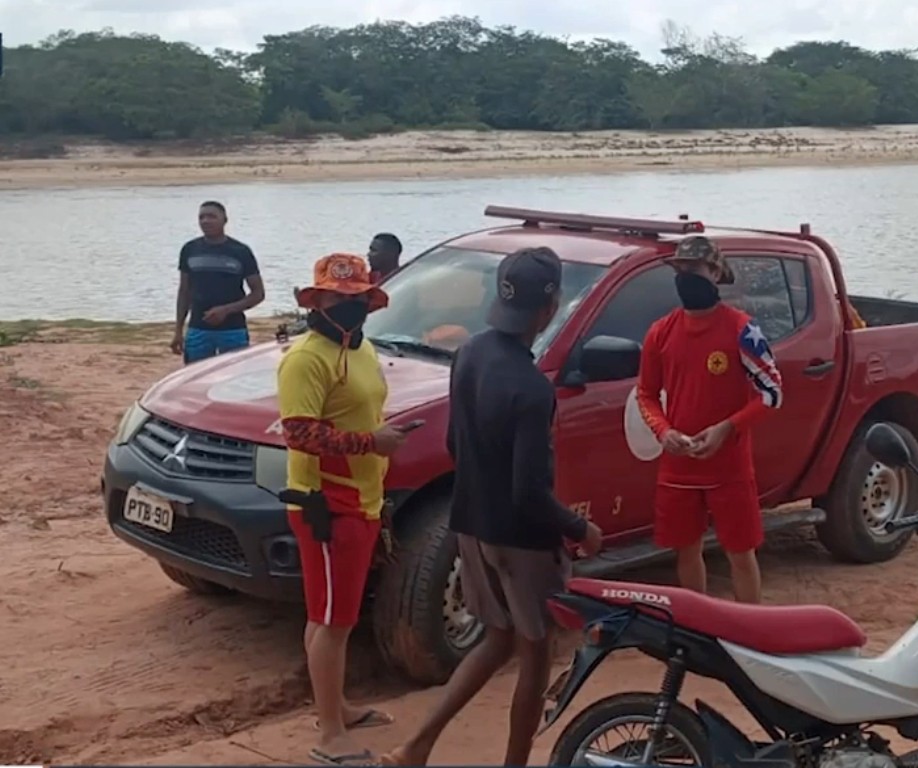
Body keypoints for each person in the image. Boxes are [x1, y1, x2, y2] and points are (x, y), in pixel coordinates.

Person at [382, 247, 603, 767]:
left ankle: (417, 747)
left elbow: (458, 445)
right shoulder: (531, 389)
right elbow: (528, 493)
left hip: (471, 523)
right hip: (522, 539)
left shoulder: (472, 353)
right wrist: (580, 528)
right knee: (535, 653)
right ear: (549, 308)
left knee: (497, 639)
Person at [278, 252, 410, 766]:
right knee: (333, 621)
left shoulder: (361, 348)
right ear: (316, 300)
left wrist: (376, 438)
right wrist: (371, 442)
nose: (347, 304)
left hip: (360, 498)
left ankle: (336, 708)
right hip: (328, 502)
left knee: (330, 616)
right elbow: (300, 433)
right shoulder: (307, 358)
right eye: (338, 297)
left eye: (356, 297)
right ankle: (330, 732)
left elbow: (362, 409)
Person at [635, 235, 784, 604]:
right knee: (685, 551)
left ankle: (749, 633)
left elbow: (773, 393)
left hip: (729, 466)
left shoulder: (742, 329)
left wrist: (727, 428)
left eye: (694, 269)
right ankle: (696, 630)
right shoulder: (660, 332)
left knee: (740, 553)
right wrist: (663, 430)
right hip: (678, 466)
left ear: (715, 273)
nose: (685, 276)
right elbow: (646, 394)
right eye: (680, 269)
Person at [171, 200, 265, 363]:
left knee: (234, 379)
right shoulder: (190, 249)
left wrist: (226, 310)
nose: (206, 221)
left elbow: (258, 294)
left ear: (224, 220)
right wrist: (178, 330)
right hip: (198, 329)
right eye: (201, 217)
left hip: (233, 330)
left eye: (211, 216)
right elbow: (184, 292)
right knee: (195, 379)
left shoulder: (241, 251)